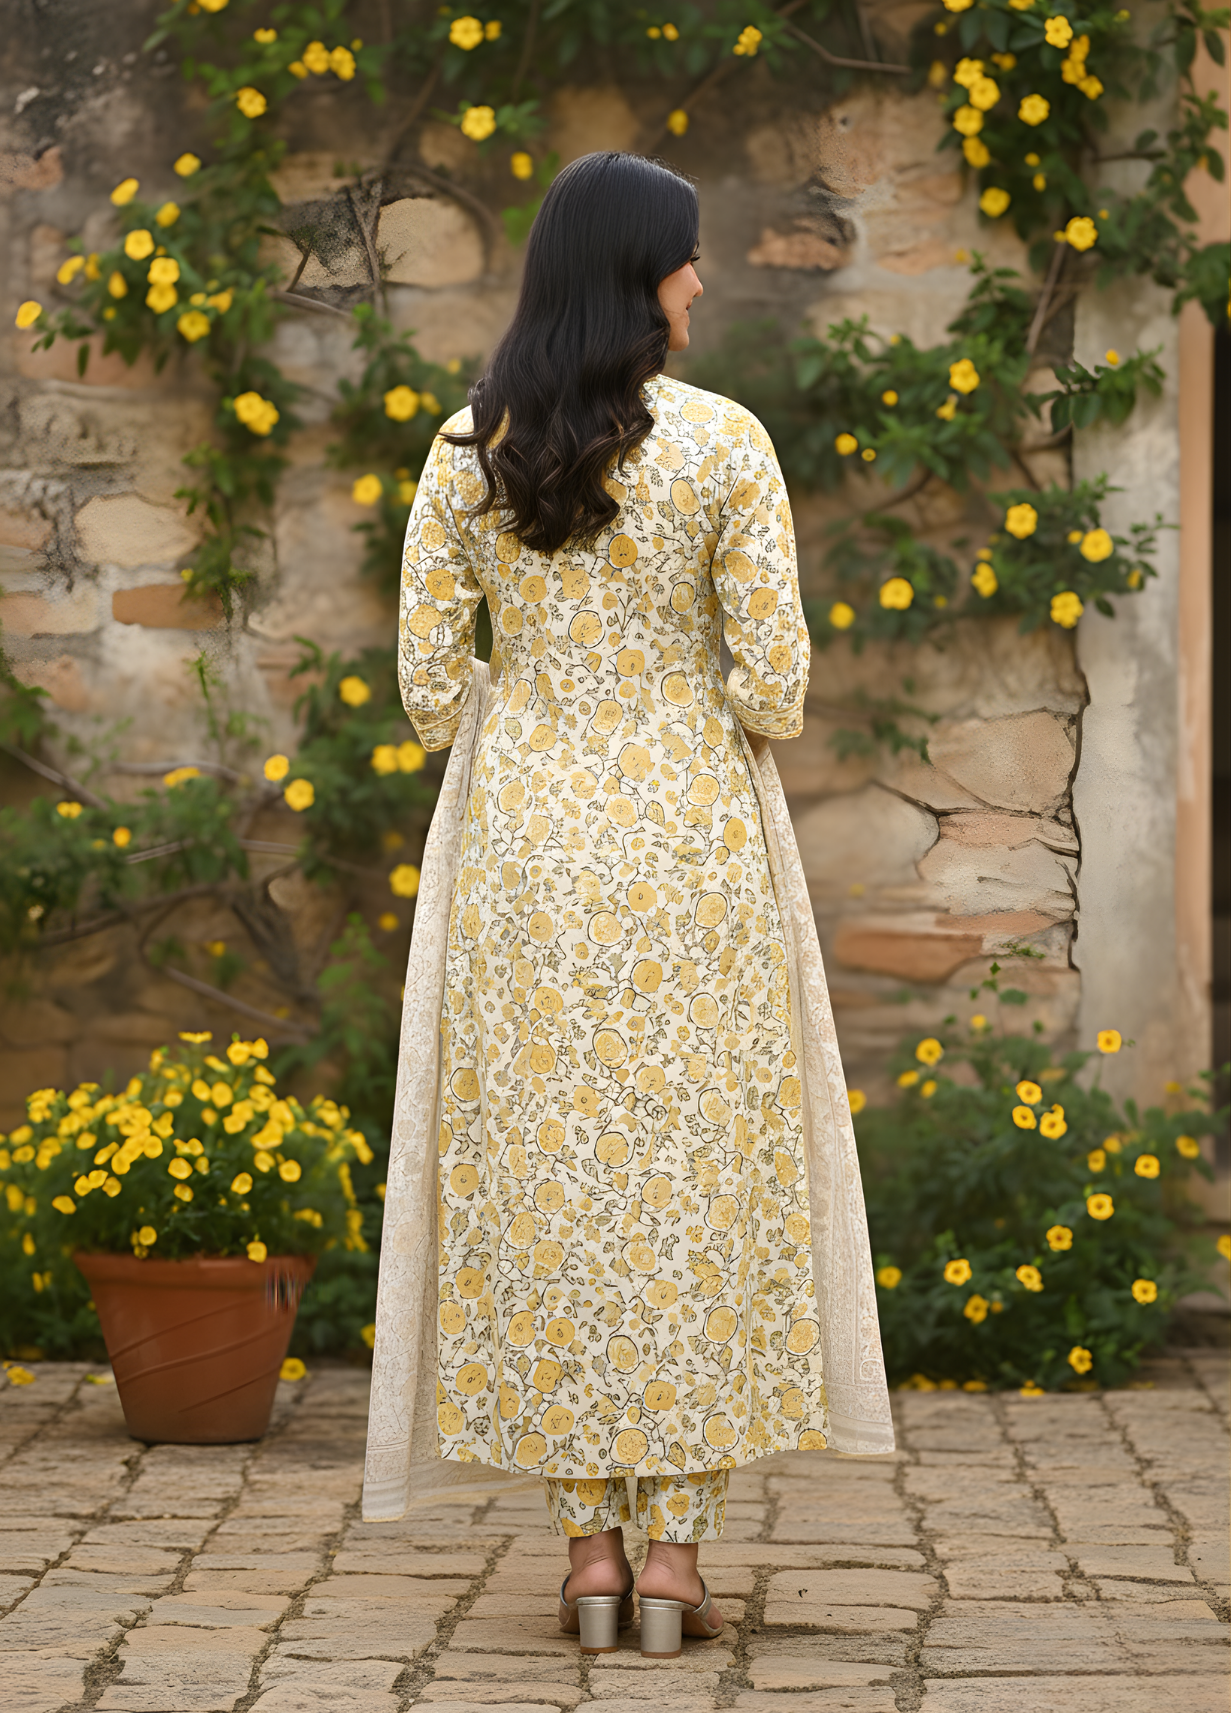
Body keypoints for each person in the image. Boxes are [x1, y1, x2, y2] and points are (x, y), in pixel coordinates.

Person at [367, 149, 893, 1660]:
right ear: (636, 270)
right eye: (687, 255)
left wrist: (532, 712)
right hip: (689, 854)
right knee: (687, 1193)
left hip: (524, 852)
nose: (701, 277)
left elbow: (422, 691)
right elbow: (776, 690)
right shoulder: (725, 447)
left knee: (552, 1190)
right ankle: (675, 1562)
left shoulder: (470, 447)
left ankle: (585, 1555)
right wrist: (680, 702)